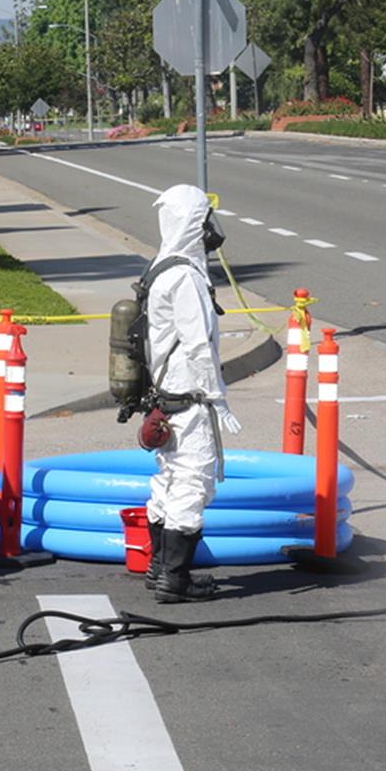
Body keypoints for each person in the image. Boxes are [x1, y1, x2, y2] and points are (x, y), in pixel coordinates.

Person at [143, 184, 242, 603]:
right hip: (190, 398)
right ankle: (174, 579)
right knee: (193, 482)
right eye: (204, 221)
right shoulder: (184, 277)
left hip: (168, 397)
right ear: (193, 224)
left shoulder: (161, 267)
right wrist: (217, 398)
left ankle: (158, 567)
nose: (210, 231)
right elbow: (199, 343)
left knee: (168, 480)